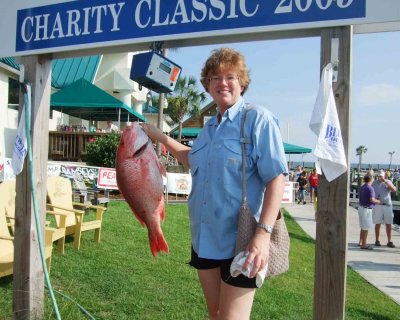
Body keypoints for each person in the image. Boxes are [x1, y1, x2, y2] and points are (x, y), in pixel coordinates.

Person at [141, 48, 288, 319]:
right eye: (215, 77)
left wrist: (262, 235)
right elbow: (191, 158)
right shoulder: (209, 128)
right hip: (204, 238)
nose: (222, 83)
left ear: (242, 83)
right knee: (216, 314)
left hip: (241, 242)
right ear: (207, 85)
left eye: (230, 77)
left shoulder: (257, 119)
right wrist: (159, 136)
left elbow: (276, 177)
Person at [372, 171, 397, 248]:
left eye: (381, 176)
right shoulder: (374, 183)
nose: (380, 178)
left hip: (387, 205)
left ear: (384, 176)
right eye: (379, 176)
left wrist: (386, 182)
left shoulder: (388, 181)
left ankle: (389, 241)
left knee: (389, 224)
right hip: (378, 205)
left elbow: (394, 190)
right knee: (377, 223)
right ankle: (377, 240)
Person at [358, 174, 380, 249]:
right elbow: (371, 200)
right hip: (366, 209)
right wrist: (378, 201)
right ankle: (364, 244)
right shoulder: (370, 188)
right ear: (371, 179)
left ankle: (360, 242)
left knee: (362, 226)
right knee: (366, 227)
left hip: (361, 207)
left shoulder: (362, 187)